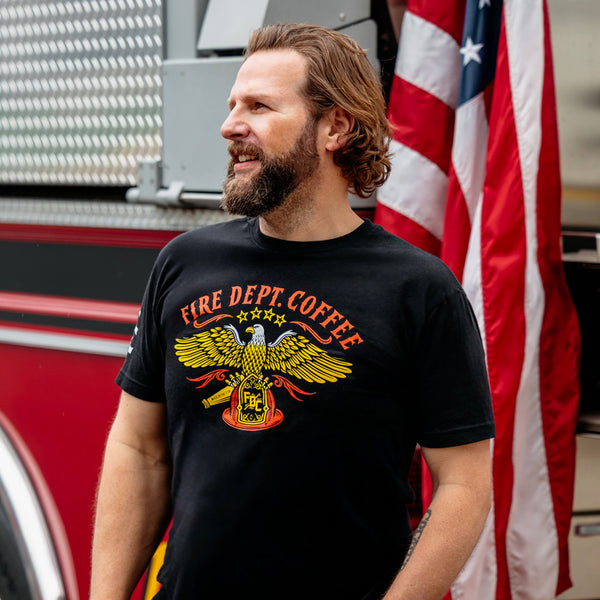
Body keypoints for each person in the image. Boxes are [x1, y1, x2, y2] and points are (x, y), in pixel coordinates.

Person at [90, 23, 495, 600]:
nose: (230, 125)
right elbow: (138, 446)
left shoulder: (419, 289)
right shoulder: (184, 263)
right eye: (233, 105)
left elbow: (464, 484)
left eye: (259, 106)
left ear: (335, 126)